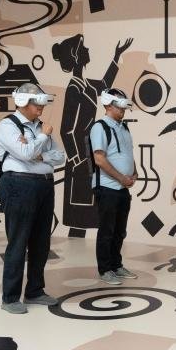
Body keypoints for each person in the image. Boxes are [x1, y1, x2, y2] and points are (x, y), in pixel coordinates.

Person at [52, 34, 133, 237]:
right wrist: (77, 159)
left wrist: (117, 56)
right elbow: (66, 129)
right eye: (83, 48)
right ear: (76, 55)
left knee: (90, 214)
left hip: (88, 159)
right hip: (81, 160)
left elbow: (105, 83)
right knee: (78, 216)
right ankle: (77, 249)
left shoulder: (86, 85)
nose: (87, 50)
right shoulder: (74, 88)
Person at [0, 83, 65, 314]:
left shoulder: (40, 127)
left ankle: (35, 291)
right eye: (36, 103)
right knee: (18, 241)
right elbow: (25, 154)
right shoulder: (7, 126)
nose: (41, 107)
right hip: (18, 185)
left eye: (42, 103)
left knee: (41, 242)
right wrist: (42, 138)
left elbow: (60, 157)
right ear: (23, 102)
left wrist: (39, 152)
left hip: (44, 185)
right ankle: (10, 298)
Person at [89, 88, 138, 285]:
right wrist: (120, 178)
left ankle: (116, 265)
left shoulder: (124, 128)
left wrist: (134, 172)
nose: (123, 109)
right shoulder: (99, 127)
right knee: (106, 231)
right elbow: (99, 159)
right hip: (107, 187)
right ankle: (105, 269)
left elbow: (127, 153)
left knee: (119, 231)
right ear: (108, 104)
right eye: (120, 105)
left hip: (122, 188)